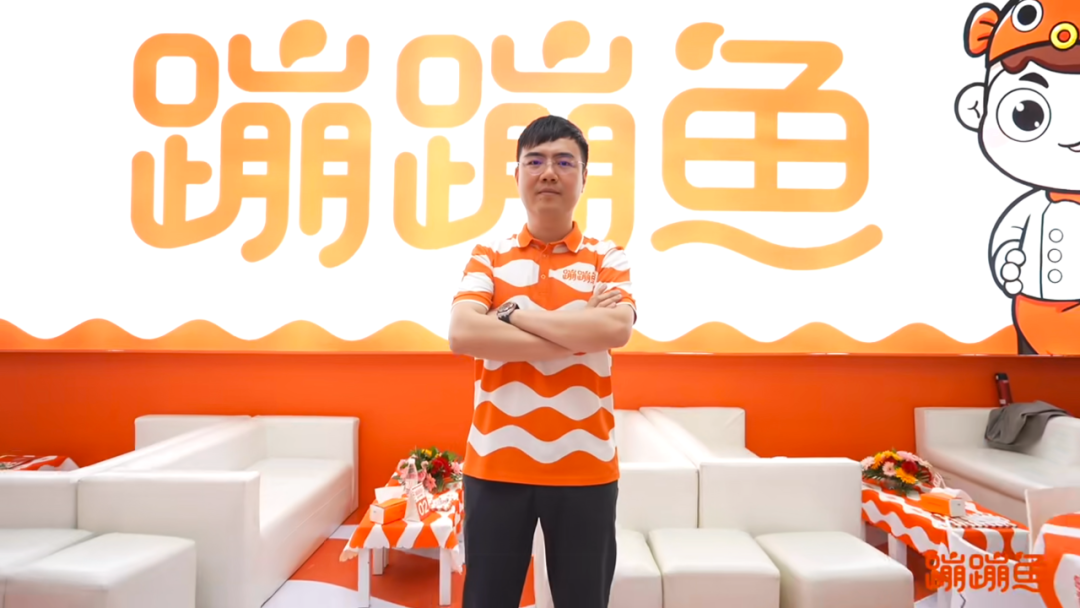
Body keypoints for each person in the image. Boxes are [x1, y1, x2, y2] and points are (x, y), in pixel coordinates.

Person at [447, 115, 637, 608]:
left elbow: (616, 329)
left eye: (563, 161)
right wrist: (577, 328)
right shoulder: (489, 255)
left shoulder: (607, 257)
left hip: (585, 467)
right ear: (517, 175)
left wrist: (512, 315)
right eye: (535, 161)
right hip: (495, 462)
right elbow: (463, 333)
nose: (548, 172)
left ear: (584, 177)